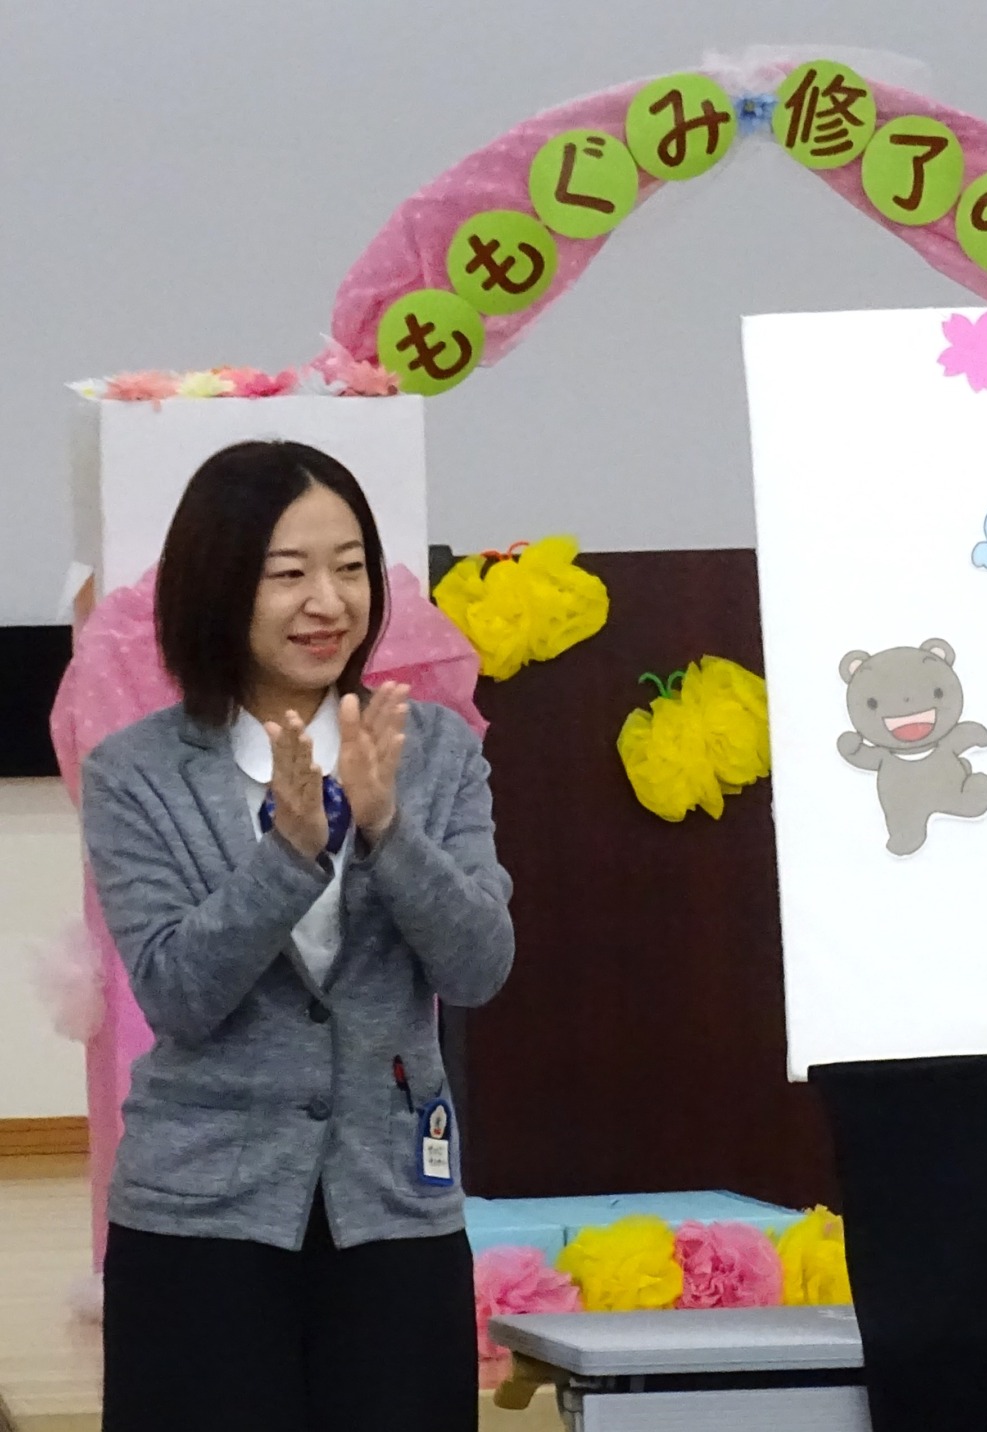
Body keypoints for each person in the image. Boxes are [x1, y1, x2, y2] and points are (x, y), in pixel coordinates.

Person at [80, 440, 514, 1431]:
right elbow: (177, 994)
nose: (328, 601)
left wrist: (387, 826)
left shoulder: (433, 752)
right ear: (218, 585)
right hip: (199, 1219)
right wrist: (289, 854)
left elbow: (478, 966)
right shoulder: (136, 772)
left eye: (350, 567)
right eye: (289, 574)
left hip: (394, 1208)